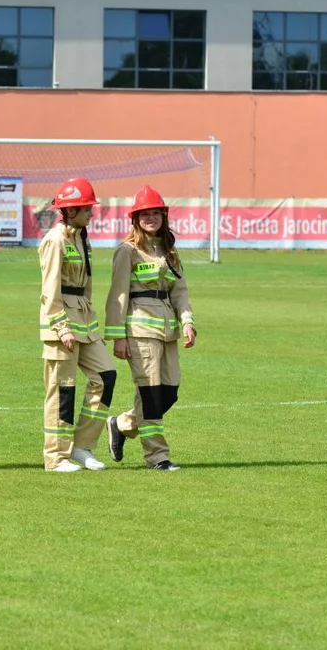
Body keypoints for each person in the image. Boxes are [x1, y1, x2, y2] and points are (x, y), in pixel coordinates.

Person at [104, 185, 196, 471]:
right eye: (145, 214)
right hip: (140, 330)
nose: (151, 218)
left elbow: (179, 291)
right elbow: (117, 295)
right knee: (151, 395)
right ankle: (158, 457)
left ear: (163, 216)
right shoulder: (126, 251)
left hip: (168, 331)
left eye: (156, 213)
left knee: (169, 393)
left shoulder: (169, 250)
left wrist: (188, 320)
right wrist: (118, 337)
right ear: (135, 218)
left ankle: (122, 424)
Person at [37, 177, 116, 473]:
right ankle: (55, 457)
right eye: (86, 209)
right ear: (70, 211)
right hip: (62, 325)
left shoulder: (82, 238)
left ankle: (82, 447)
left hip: (84, 322)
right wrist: (62, 327)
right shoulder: (54, 240)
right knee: (63, 391)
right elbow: (50, 290)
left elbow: (86, 288)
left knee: (106, 376)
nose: (92, 213)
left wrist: (89, 325)